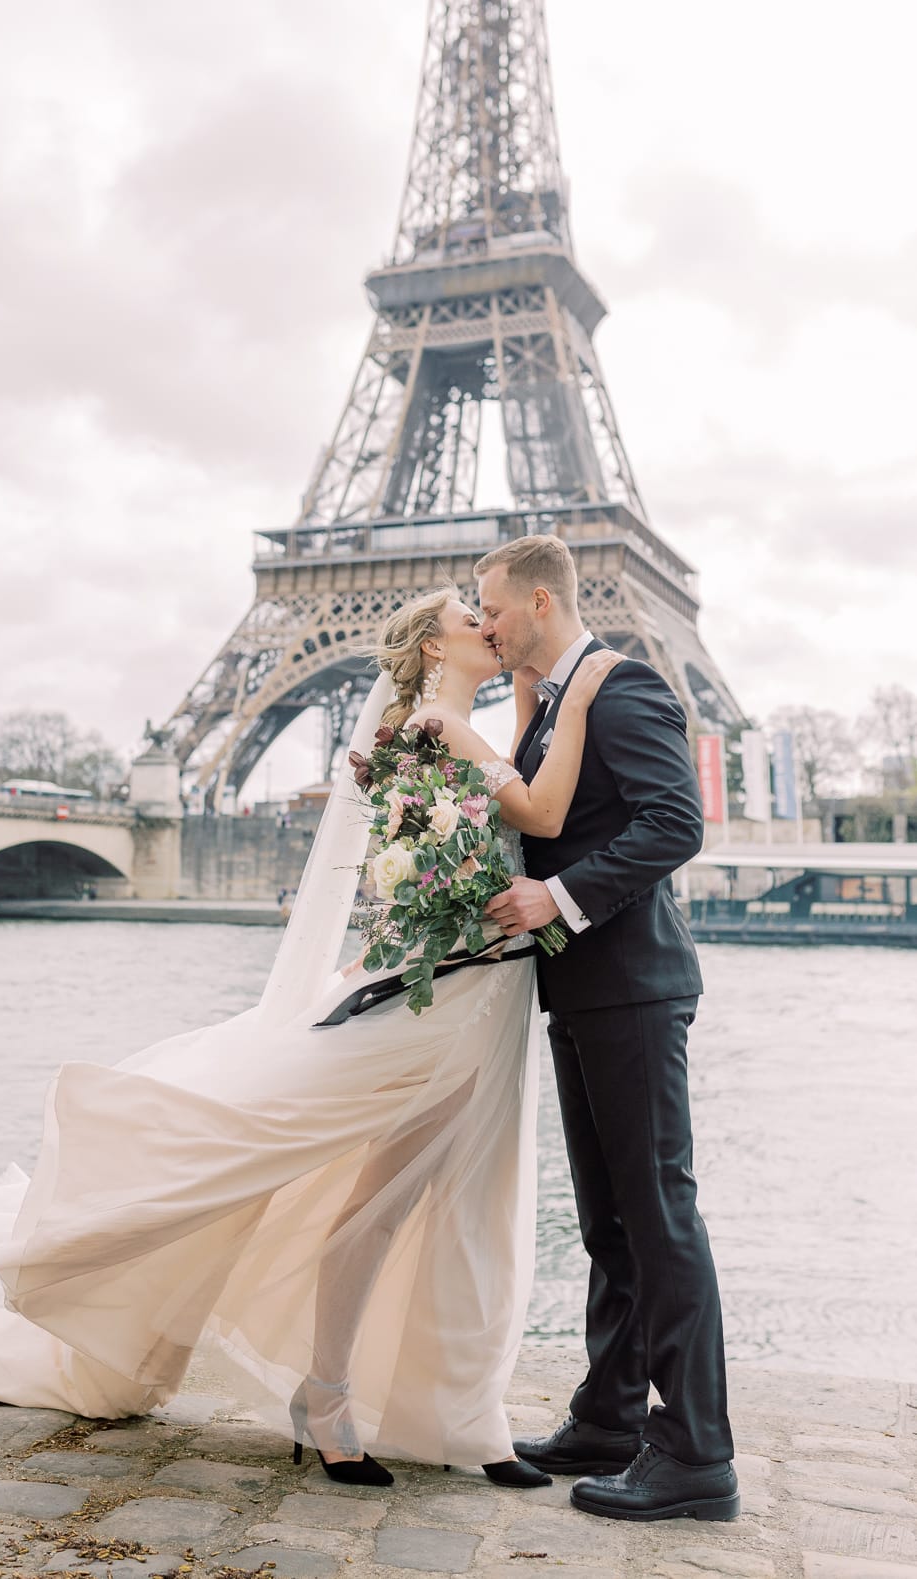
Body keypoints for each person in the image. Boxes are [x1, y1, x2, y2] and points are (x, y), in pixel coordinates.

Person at [0, 590, 618, 1492]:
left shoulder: (453, 722)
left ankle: (455, 1413)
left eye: (490, 608)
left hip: (487, 989)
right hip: (452, 992)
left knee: (455, 1208)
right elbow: (541, 816)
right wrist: (580, 694)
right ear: (434, 642)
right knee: (393, 1207)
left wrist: (528, 693)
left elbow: (494, 806)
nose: (484, 619)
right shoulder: (437, 722)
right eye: (465, 611)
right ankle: (339, 1399)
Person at [475, 534, 739, 1523]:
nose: (485, 624)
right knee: (611, 1223)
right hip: (585, 990)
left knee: (660, 1217)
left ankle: (699, 1454)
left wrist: (557, 899)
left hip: (630, 986)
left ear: (540, 604)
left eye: (492, 608)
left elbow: (676, 823)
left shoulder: (622, 690)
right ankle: (611, 1415)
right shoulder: (551, 710)